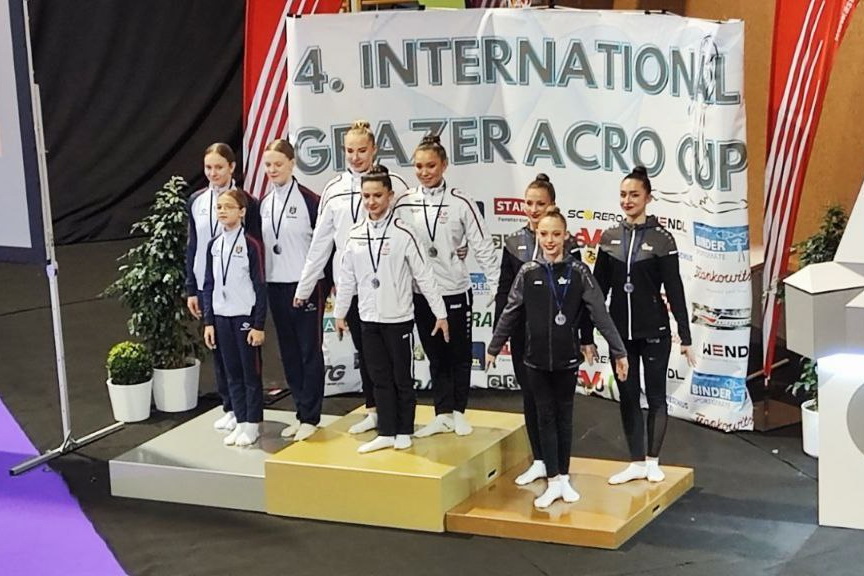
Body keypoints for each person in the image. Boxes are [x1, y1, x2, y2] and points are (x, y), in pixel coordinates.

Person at [486, 206, 629, 509]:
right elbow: (511, 311)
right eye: (544, 234)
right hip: (535, 361)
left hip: (566, 360)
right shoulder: (528, 272)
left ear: (566, 236)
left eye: (555, 234)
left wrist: (618, 351)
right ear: (537, 236)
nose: (550, 240)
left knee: (565, 419)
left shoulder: (579, 272)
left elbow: (600, 314)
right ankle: (552, 480)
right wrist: (494, 346)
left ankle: (563, 477)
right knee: (546, 417)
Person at [294, 120, 409, 436]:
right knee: (368, 354)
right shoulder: (334, 189)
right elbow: (320, 243)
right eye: (349, 151)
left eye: (361, 150)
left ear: (374, 150)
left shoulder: (395, 184)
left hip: (390, 285)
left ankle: (401, 419)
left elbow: (411, 230)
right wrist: (305, 286)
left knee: (394, 357)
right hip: (352, 287)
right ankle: (374, 411)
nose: (356, 157)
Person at [591, 166, 696, 485]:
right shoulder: (609, 238)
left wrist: (686, 336)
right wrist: (585, 333)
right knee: (627, 396)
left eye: (634, 195)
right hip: (620, 336)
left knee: (656, 395)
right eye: (623, 195)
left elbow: (674, 289)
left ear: (648, 198)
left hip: (654, 333)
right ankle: (636, 462)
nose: (628, 200)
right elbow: (597, 291)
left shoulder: (662, 239)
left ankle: (653, 460)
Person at [334, 166, 449, 454]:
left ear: (390, 196)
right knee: (379, 377)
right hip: (368, 318)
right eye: (366, 196)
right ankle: (386, 430)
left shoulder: (404, 232)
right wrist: (339, 312)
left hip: (398, 318)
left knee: (401, 377)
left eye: (377, 195)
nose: (371, 202)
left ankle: (404, 429)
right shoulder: (355, 234)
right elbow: (346, 278)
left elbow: (424, 276)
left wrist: (440, 313)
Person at [493, 173, 596, 486]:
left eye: (540, 203)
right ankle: (539, 460)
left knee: (558, 406)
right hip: (525, 335)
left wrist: (586, 336)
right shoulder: (514, 242)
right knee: (531, 397)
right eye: (529, 203)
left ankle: (558, 468)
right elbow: (504, 292)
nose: (534, 209)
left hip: (560, 335)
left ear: (552, 205)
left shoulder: (568, 244)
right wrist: (499, 336)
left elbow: (584, 297)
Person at [394, 135, 500, 438]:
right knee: (435, 355)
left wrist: (496, 285)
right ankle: (442, 414)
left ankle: (459, 412)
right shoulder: (403, 202)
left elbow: (482, 244)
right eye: (419, 166)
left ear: (444, 165)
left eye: (431, 165)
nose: (424, 172)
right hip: (420, 293)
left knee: (459, 354)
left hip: (454, 290)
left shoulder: (460, 201)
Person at [185, 143, 261, 432]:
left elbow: (255, 247)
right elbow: (193, 245)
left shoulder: (246, 201)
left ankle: (247, 414)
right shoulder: (196, 200)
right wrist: (192, 288)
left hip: (239, 290)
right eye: (208, 167)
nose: (213, 173)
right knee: (218, 349)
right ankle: (230, 407)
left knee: (243, 356)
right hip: (208, 287)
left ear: (232, 167)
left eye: (219, 167)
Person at [259, 139, 325, 442]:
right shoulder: (264, 203)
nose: (272, 170)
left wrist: (319, 283)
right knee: (289, 352)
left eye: (278, 164)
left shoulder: (310, 200)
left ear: (292, 163)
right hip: (276, 285)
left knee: (309, 351)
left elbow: (324, 245)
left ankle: (312, 416)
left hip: (307, 285)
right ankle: (300, 411)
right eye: (268, 165)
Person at [202, 188, 267, 448]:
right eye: (219, 207)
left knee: (250, 373)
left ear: (241, 212)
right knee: (232, 373)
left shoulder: (252, 245)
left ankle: (253, 423)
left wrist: (258, 324)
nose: (222, 211)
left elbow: (260, 286)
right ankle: (240, 420)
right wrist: (208, 321)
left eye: (228, 207)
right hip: (221, 317)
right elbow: (209, 284)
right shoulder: (214, 245)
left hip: (244, 316)